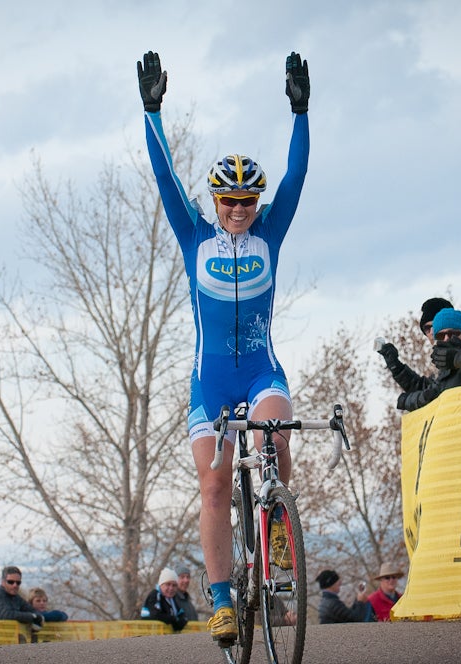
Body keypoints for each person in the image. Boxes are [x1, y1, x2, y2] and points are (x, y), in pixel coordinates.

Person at [138, 49, 310, 643]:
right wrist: (152, 110)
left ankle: (279, 526)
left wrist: (301, 112)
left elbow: (296, 176)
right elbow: (163, 178)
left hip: (262, 371)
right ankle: (219, 598)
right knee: (213, 485)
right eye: (229, 201)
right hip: (210, 381)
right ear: (215, 203)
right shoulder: (195, 236)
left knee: (274, 439)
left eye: (247, 202)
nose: (238, 210)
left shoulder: (270, 231)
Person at [396, 308, 461, 411]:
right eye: (440, 335)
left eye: (452, 333)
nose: (446, 339)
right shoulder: (443, 372)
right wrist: (395, 365)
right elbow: (428, 393)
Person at [376, 297, 454, 392]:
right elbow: (426, 390)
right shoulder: (442, 369)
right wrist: (396, 367)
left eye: (435, 325)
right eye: (427, 328)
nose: (431, 332)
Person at [0, 566, 44, 630]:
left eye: (18, 583)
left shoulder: (16, 598)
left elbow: (32, 610)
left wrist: (37, 617)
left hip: (7, 638)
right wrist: (33, 617)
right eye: (11, 582)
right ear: (3, 582)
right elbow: (6, 616)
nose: (15, 585)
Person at [140, 568, 188, 632]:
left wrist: (182, 621)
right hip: (149, 634)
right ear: (161, 585)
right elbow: (155, 614)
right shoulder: (155, 595)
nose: (171, 588)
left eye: (174, 585)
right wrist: (174, 620)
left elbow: (180, 613)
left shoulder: (172, 599)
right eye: (168, 584)